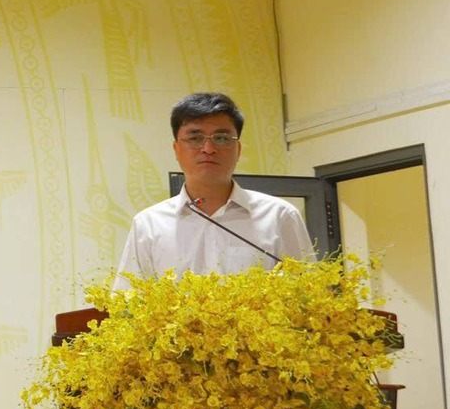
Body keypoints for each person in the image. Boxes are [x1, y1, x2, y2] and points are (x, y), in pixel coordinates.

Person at [118, 91, 314, 281]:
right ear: (176, 149)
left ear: (238, 149)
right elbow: (130, 298)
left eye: (221, 139)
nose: (208, 149)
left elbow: (308, 292)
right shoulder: (149, 224)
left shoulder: (280, 217)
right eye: (195, 138)